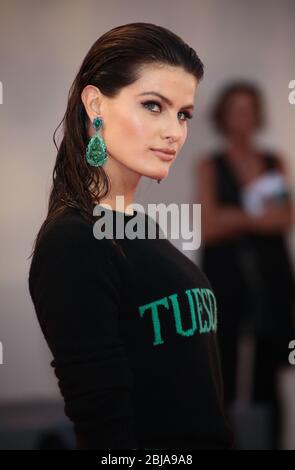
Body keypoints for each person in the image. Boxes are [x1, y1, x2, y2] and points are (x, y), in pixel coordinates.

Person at [28, 22, 233, 450]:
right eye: (154, 106)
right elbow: (105, 428)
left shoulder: (140, 227)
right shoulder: (72, 242)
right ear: (96, 103)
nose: (175, 131)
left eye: (183, 114)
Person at [197, 82, 295, 448]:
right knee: (223, 371)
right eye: (236, 109)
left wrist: (234, 217)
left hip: (272, 283)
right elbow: (209, 225)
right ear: (223, 116)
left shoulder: (275, 162)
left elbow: (285, 219)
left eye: (250, 108)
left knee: (269, 376)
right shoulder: (210, 165)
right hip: (226, 283)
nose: (244, 117)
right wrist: (258, 216)